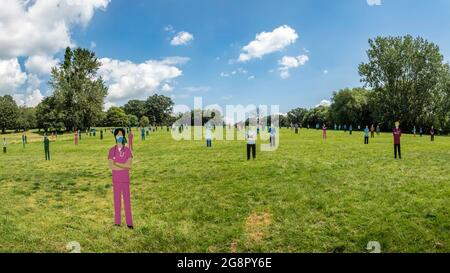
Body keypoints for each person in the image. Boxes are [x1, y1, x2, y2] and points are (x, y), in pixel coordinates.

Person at [108, 128, 134, 229]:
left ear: (123, 136)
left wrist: (117, 163)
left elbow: (129, 166)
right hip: (116, 180)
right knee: (117, 201)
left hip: (125, 180)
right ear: (115, 136)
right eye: (117, 135)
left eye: (121, 135)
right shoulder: (112, 150)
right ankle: (117, 222)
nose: (119, 137)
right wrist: (123, 165)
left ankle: (129, 223)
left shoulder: (127, 150)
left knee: (127, 201)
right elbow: (111, 166)